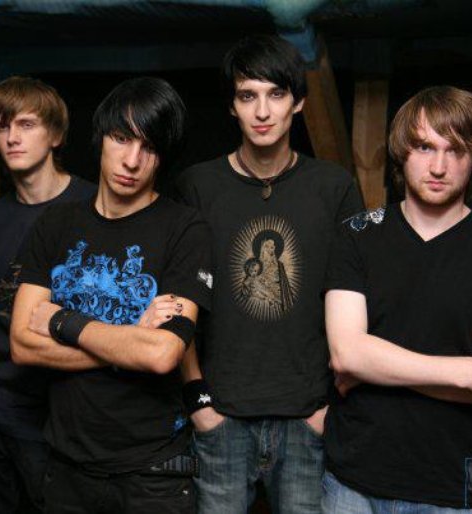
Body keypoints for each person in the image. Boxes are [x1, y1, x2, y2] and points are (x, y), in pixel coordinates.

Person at [174, 34, 363, 514]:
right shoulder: (198, 185)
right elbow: (178, 298)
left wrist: (328, 406)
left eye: (276, 94)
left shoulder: (334, 187)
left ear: (298, 102)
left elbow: (356, 298)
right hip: (221, 417)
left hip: (307, 418)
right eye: (247, 95)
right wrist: (198, 401)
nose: (262, 111)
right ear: (232, 106)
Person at [10, 76, 212, 514]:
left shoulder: (185, 229)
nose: (132, 160)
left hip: (152, 472)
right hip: (66, 467)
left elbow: (162, 355)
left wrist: (61, 321)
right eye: (121, 138)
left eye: (149, 147)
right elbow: (22, 344)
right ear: (101, 136)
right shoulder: (56, 224)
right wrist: (129, 338)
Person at [322, 85, 472, 512]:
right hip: (355, 483)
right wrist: (469, 373)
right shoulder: (356, 236)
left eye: (456, 150)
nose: (438, 166)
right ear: (402, 152)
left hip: (457, 488)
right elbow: (347, 355)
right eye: (425, 147)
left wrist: (374, 369)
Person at [0, 76, 96, 514]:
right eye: (2, 127)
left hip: (55, 416)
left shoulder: (95, 208)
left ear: (56, 135)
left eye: (26, 125)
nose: (12, 137)